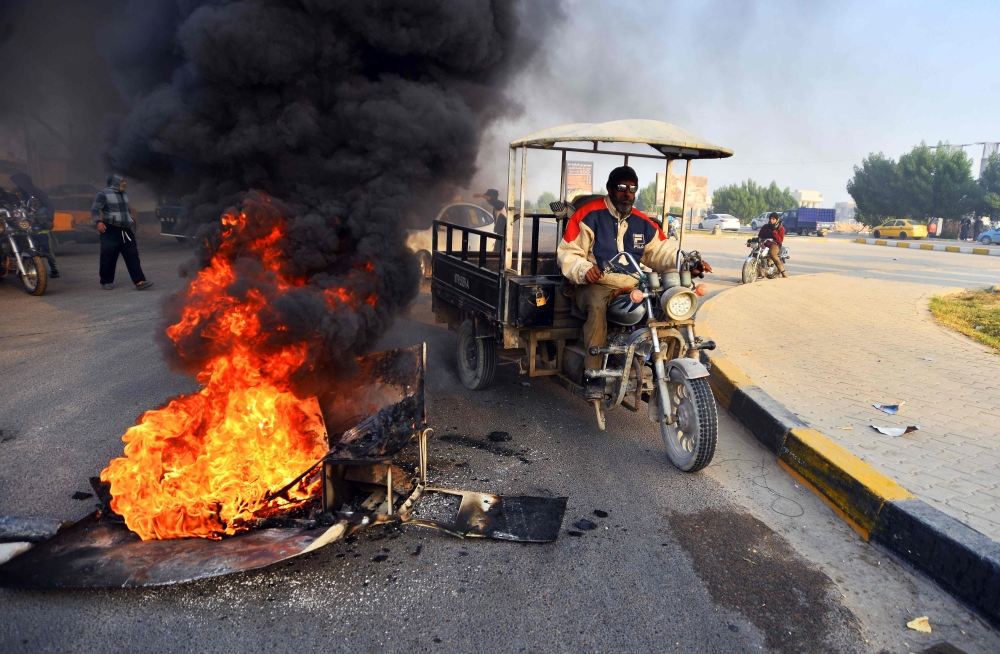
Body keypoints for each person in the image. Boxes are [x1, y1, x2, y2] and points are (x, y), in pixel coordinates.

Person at [557, 166, 709, 399]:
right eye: (621, 188)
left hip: (632, 284)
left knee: (665, 305)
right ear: (610, 189)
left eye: (632, 189)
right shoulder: (588, 215)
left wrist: (686, 263)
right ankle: (593, 374)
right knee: (597, 308)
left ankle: (663, 367)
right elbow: (569, 253)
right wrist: (586, 270)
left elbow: (662, 252)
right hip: (594, 284)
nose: (627, 193)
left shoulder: (642, 222)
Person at [91, 173, 153, 290]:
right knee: (109, 256)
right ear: (115, 181)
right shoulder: (103, 194)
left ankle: (139, 282)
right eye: (122, 181)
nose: (125, 183)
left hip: (126, 231)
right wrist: (98, 222)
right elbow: (94, 209)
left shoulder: (124, 194)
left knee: (132, 255)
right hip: (110, 230)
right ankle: (106, 281)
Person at [28, 197, 59, 278]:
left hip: (43, 234)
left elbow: (46, 225)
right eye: (34, 205)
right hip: (31, 235)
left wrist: (34, 221)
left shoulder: (44, 210)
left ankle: (54, 270)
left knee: (48, 253)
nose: (36, 207)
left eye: (37, 205)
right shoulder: (28, 210)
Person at [758, 212, 787, 278]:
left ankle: (783, 272)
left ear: (777, 220)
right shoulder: (765, 227)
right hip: (765, 244)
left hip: (775, 245)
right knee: (757, 252)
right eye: (770, 218)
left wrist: (774, 231)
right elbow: (760, 236)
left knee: (772, 253)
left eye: (773, 219)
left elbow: (780, 240)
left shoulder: (781, 228)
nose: (771, 220)